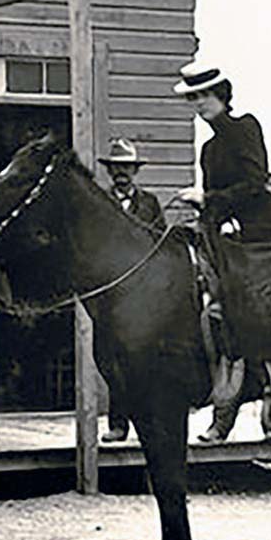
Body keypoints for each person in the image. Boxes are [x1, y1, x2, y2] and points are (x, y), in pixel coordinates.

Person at [173, 63, 271, 442]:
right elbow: (216, 203)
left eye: (203, 96)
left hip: (264, 232)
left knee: (248, 293)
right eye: (193, 99)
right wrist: (205, 214)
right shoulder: (208, 148)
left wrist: (211, 198)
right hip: (229, 235)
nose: (198, 105)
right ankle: (223, 401)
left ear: (222, 96)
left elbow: (255, 182)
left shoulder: (246, 128)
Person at [96, 137, 162, 443]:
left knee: (147, 361)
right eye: (116, 168)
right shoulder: (100, 201)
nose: (121, 173)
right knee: (114, 360)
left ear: (135, 171)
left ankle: (147, 424)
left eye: (126, 167)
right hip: (112, 293)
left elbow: (160, 242)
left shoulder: (150, 203)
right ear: (110, 172)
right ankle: (118, 424)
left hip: (144, 294)